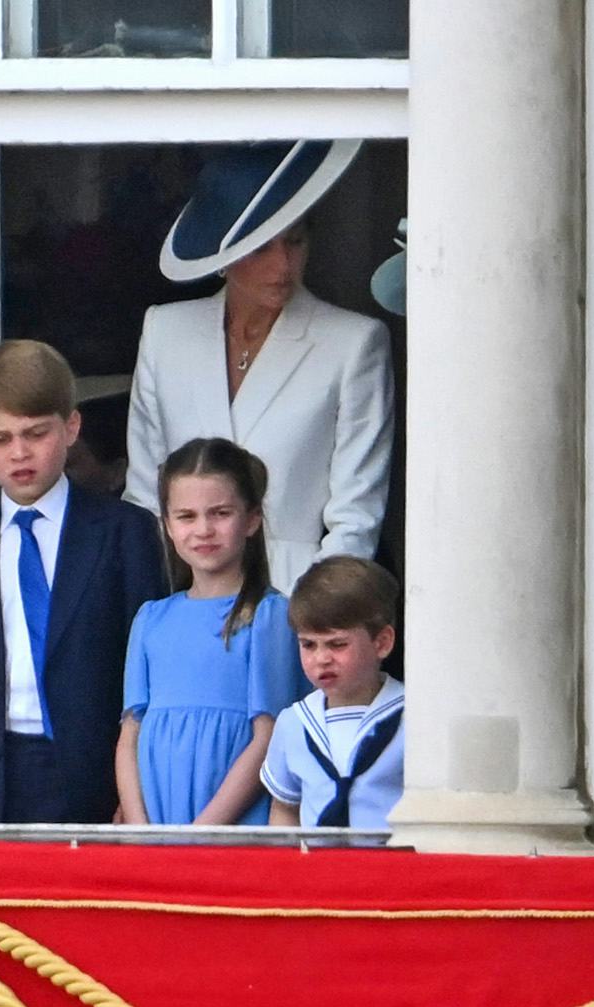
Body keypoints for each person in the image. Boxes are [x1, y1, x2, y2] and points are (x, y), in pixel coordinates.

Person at [125, 139, 394, 593]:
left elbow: (356, 515)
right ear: (224, 254)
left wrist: (314, 613)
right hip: (183, 596)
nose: (283, 265)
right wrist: (159, 607)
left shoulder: (353, 343)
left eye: (295, 241)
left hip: (296, 594)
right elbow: (144, 497)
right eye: (261, 248)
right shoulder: (165, 332)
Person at [0, 340, 167, 825]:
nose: (19, 453)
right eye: (0, 438)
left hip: (100, 778)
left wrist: (137, 788)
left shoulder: (124, 532)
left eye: (36, 434)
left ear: (71, 427)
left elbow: (152, 672)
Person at [116, 439, 306, 826]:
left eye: (220, 513)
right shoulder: (151, 619)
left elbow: (268, 737)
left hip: (231, 827)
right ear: (167, 525)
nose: (203, 529)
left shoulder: (269, 615)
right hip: (156, 828)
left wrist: (201, 832)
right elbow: (130, 734)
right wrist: (139, 829)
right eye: (186, 516)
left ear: (251, 519)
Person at [261, 556, 405, 830]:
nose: (321, 659)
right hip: (318, 857)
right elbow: (285, 807)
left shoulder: (412, 717)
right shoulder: (294, 722)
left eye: (337, 644)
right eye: (308, 645)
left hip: (390, 856)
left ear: (382, 643)